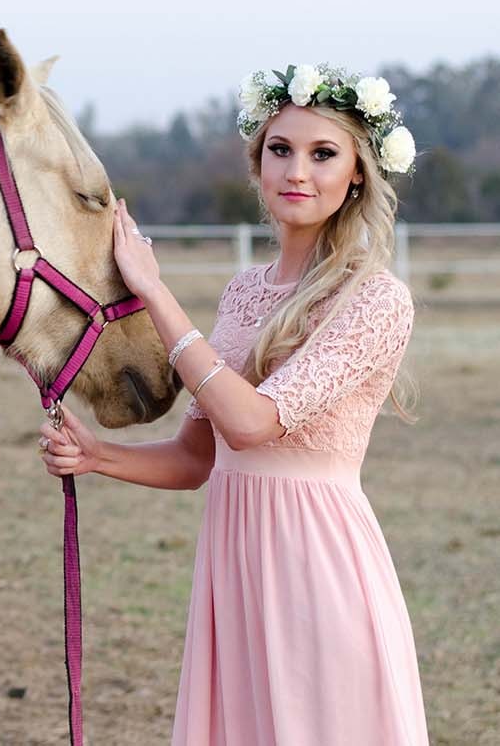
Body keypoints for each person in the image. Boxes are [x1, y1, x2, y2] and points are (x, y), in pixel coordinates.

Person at [38, 64, 429, 744]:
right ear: (257, 163)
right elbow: (198, 455)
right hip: (235, 571)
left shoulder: (374, 298)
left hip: (319, 569)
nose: (296, 171)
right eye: (280, 150)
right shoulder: (244, 293)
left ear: (358, 173)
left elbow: (250, 424)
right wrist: (98, 456)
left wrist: (155, 295)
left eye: (323, 153)